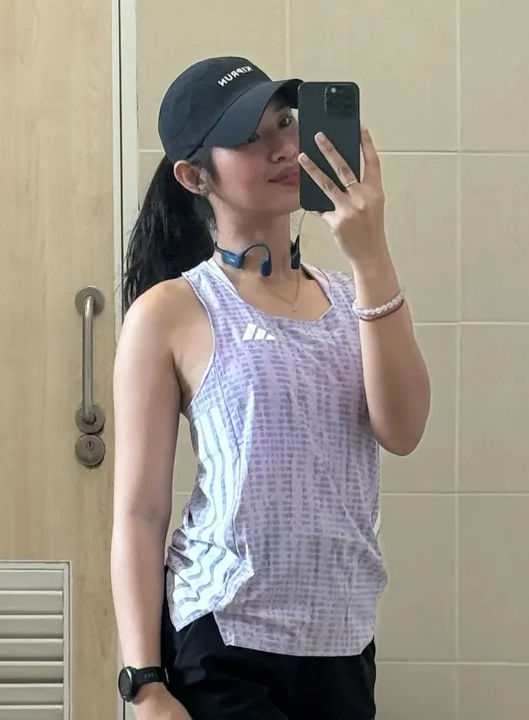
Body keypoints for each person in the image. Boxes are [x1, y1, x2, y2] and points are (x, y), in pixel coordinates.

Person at [111, 55, 431, 720]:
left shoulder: (355, 297)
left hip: (343, 640)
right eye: (250, 136)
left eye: (285, 122)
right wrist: (145, 684)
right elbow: (140, 513)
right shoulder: (171, 311)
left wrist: (371, 253)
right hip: (224, 638)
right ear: (194, 175)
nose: (284, 147)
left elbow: (403, 431)